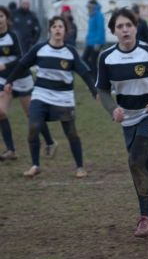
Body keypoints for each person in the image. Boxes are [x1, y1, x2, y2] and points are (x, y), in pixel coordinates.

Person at [97, 8, 148, 238]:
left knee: (135, 161)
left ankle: (146, 218)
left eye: (129, 25)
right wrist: (112, 108)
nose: (125, 30)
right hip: (129, 119)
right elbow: (103, 90)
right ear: (113, 31)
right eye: (120, 26)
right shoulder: (106, 57)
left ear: (136, 27)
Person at [4, 16, 96, 178]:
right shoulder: (39, 49)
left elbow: (84, 72)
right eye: (54, 27)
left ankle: (80, 167)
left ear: (66, 31)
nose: (58, 29)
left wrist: (94, 90)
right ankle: (35, 165)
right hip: (41, 95)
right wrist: (10, 80)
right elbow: (22, 65)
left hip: (64, 98)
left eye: (61, 27)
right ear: (50, 30)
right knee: (33, 129)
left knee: (71, 133)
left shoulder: (70, 52)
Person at [0, 6, 56, 161]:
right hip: (4, 80)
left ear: (7, 19)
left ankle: (50, 142)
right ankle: (11, 150)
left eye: (1, 16)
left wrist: (5, 65)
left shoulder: (12, 36)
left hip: (21, 78)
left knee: (32, 114)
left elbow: (20, 59)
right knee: (1, 112)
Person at [82, 0, 105, 77]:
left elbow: (100, 29)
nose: (88, 8)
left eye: (89, 7)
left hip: (96, 43)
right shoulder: (91, 15)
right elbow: (91, 30)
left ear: (93, 7)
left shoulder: (99, 15)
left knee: (93, 62)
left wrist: (97, 43)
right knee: (84, 59)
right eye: (88, 7)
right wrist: (87, 38)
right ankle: (94, 76)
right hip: (90, 42)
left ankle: (95, 80)